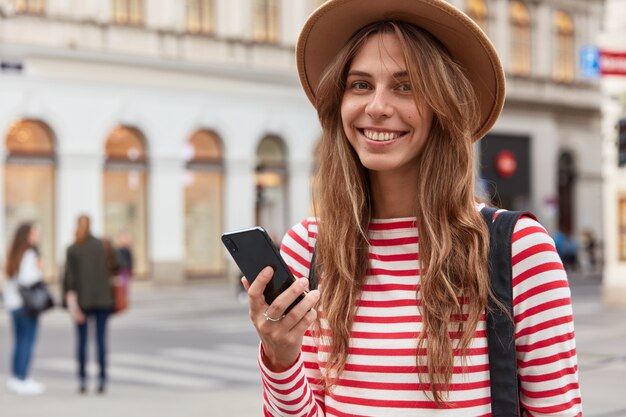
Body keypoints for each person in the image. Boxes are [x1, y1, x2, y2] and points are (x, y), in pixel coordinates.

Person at [241, 1, 582, 416]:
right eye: (361, 84)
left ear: (445, 106)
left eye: (406, 86)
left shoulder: (519, 251)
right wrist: (279, 359)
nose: (378, 106)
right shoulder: (309, 246)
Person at [64, 215, 117, 394]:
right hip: (103, 300)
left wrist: (71, 305)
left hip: (82, 302)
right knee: (101, 341)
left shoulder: (73, 249)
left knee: (82, 342)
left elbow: (69, 280)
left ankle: (82, 380)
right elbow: (119, 264)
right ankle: (102, 379)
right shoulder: (103, 245)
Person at [3, 222, 46, 395]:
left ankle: (16, 377)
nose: (37, 236)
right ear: (26, 235)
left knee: (20, 342)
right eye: (34, 233)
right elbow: (27, 279)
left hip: (13, 304)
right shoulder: (29, 254)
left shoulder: (14, 253)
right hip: (26, 305)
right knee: (26, 341)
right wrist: (38, 269)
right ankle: (22, 378)